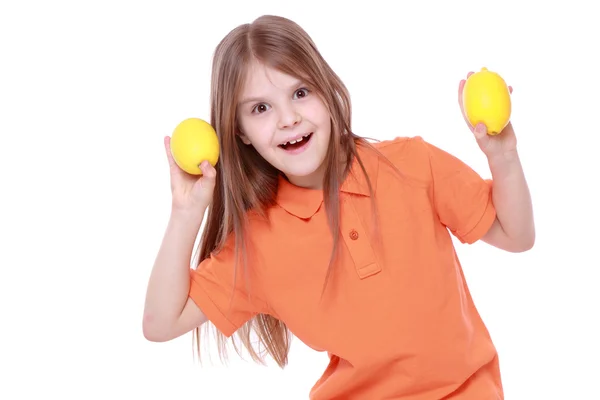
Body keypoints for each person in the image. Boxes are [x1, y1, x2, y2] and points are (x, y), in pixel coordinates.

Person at [142, 14, 535, 400]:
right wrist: (186, 212)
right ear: (239, 132)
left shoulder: (412, 164)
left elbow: (516, 235)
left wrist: (503, 156)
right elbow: (161, 323)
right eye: (260, 108)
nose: (289, 119)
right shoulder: (259, 242)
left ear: (326, 90)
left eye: (300, 92)